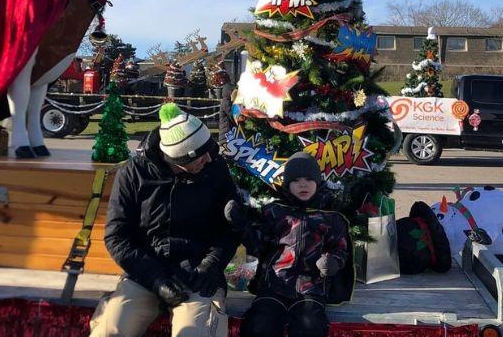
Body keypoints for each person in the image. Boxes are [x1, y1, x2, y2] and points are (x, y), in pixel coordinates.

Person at [89, 103, 240, 337]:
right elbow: (117, 237)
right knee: (109, 330)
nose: (209, 159)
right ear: (177, 158)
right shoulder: (133, 174)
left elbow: (230, 228)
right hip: (147, 272)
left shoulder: (216, 169)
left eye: (209, 149)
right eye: (200, 156)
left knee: (195, 334)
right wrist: (156, 278)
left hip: (198, 273)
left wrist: (211, 265)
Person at [225, 152, 354, 337]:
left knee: (310, 325)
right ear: (287, 185)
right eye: (296, 180)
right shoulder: (275, 212)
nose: (303, 184)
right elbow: (258, 243)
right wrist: (240, 223)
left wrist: (332, 261)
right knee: (260, 324)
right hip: (275, 283)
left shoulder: (331, 217)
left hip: (311, 286)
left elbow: (340, 249)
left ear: (318, 182)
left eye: (309, 179)